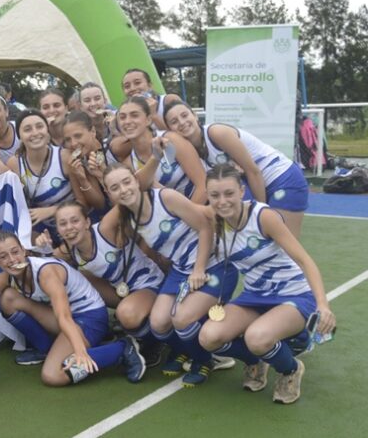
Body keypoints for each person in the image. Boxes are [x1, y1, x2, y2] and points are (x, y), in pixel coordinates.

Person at [0, 230, 146, 386]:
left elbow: (64, 317)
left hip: (89, 318)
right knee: (8, 298)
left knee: (53, 375)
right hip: (68, 320)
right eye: (3, 256)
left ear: (24, 251)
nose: (11, 260)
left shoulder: (46, 273)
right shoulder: (7, 276)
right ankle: (46, 349)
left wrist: (80, 352)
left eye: (15, 252)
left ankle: (121, 349)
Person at [198, 163, 335, 404]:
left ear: (242, 191)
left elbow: (305, 261)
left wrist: (322, 305)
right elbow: (175, 205)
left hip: (294, 294)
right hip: (255, 296)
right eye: (215, 195)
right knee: (209, 337)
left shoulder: (263, 217)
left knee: (257, 338)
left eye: (229, 193)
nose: (222, 201)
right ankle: (256, 361)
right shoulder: (212, 218)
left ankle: (290, 369)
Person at [101, 162, 239, 387]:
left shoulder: (166, 198)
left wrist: (199, 269)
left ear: (137, 181)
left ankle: (204, 360)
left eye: (127, 182)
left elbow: (205, 227)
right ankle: (186, 350)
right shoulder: (129, 219)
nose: (123, 190)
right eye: (115, 187)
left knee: (181, 319)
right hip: (181, 270)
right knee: (158, 323)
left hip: (211, 265)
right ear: (109, 193)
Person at [36, 201, 165, 366]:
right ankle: (102, 328)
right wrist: (44, 249)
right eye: (63, 224)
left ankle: (153, 342)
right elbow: (44, 269)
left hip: (149, 284)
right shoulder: (68, 249)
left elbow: (127, 201)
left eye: (75, 221)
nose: (69, 227)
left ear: (87, 222)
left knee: (126, 314)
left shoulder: (105, 230)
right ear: (58, 231)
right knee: (79, 278)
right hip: (122, 291)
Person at [163, 101, 308, 238]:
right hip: (260, 184)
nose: (182, 122)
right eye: (174, 121)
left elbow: (253, 171)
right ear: (169, 130)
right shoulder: (190, 153)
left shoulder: (216, 133)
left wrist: (258, 213)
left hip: (282, 177)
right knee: (264, 244)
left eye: (185, 115)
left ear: (194, 115)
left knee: (283, 244)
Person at [118, 96, 208, 204]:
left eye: (134, 115)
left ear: (148, 120)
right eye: (122, 117)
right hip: (171, 212)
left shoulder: (170, 141)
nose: (127, 121)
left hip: (202, 205)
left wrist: (188, 214)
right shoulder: (129, 164)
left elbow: (203, 185)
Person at [6, 109, 79, 243]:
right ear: (19, 136)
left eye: (39, 126)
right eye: (27, 129)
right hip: (46, 232)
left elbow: (84, 203)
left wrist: (52, 211)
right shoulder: (14, 164)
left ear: (47, 130)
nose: (35, 133)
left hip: (75, 224)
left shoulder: (64, 157)